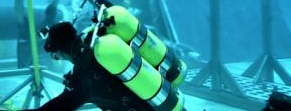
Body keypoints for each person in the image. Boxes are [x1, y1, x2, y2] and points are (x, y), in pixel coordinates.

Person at [11, 21, 185, 111]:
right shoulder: (97, 39)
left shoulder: (83, 78)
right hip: (160, 101)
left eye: (55, 55)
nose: (56, 58)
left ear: (60, 51)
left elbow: (56, 109)